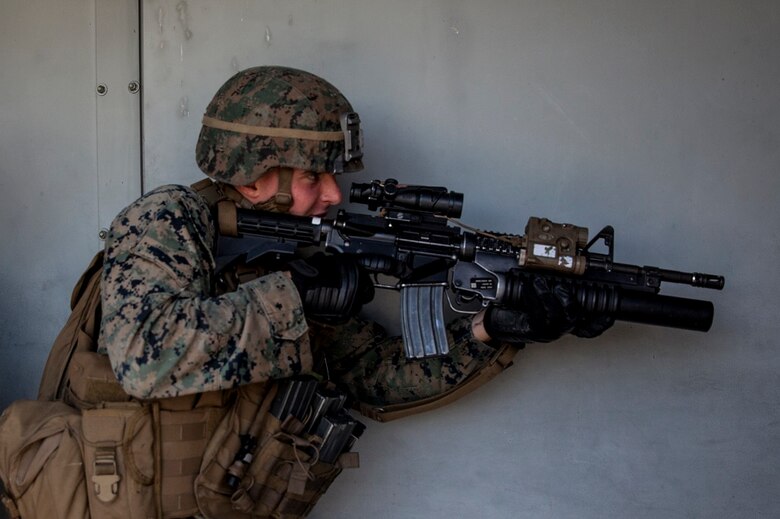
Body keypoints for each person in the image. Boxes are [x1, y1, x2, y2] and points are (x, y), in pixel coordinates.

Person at [91, 66, 611, 517]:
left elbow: (376, 377)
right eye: (315, 175)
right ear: (254, 178)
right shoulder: (168, 218)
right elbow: (143, 357)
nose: (335, 194)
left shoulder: (300, 255)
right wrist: (294, 297)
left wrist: (492, 328)